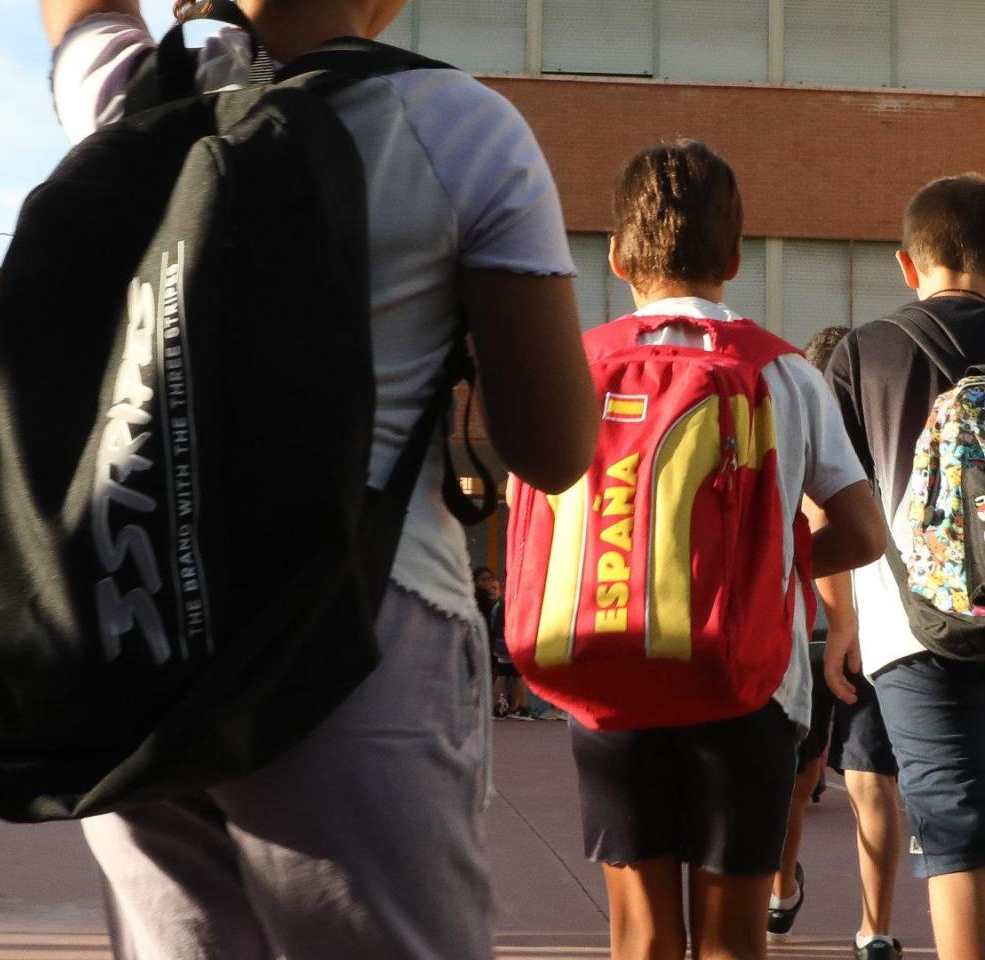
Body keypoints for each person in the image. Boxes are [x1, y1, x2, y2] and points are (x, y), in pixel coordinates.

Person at [40, 1, 598, 957]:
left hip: (135, 632)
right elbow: (551, 446)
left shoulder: (125, 93)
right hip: (364, 634)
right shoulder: (458, 124)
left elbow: (82, 14)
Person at [567, 140, 886, 960]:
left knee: (638, 934)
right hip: (747, 684)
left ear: (616, 254)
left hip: (610, 670)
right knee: (733, 937)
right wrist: (759, 568)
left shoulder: (580, 365)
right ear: (737, 257)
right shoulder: (785, 373)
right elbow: (861, 530)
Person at [824, 174, 985, 960]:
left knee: (956, 827)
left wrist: (840, 621)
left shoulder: (862, 351)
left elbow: (830, 503)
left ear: (909, 264)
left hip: (913, 629)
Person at [770, 327, 908, 960]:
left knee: (796, 780)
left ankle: (780, 888)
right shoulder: (887, 431)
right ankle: (873, 928)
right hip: (878, 627)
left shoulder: (801, 428)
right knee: (869, 781)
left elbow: (820, 525)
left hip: (812, 627)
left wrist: (838, 623)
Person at [477, 567, 532, 720]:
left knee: (502, 675)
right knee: (518, 676)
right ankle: (520, 707)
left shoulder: (501, 603)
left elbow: (494, 623)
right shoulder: (517, 602)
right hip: (514, 643)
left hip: (501, 644)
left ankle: (496, 707)